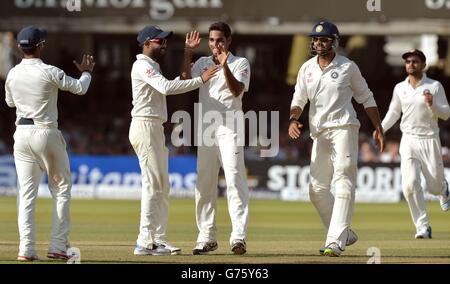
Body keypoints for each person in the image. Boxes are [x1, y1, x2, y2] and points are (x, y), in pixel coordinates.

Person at [288, 21, 385, 257]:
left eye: (324, 39)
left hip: (344, 127)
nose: (318, 43)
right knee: (316, 189)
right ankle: (346, 233)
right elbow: (298, 99)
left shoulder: (347, 67)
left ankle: (335, 241)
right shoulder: (307, 69)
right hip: (319, 132)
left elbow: (366, 98)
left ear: (334, 42)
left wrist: (378, 128)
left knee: (343, 178)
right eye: (316, 39)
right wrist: (292, 119)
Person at [5, 25, 95, 261]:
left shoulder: (13, 73)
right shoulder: (50, 71)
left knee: (26, 194)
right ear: (41, 46)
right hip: (46, 133)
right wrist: (86, 72)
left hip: (21, 135)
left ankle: (26, 250)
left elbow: (10, 103)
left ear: (20, 47)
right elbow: (80, 89)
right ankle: (57, 246)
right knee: (61, 190)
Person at [129, 25, 218, 256]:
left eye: (165, 41)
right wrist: (200, 80)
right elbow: (166, 87)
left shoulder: (152, 66)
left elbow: (177, 82)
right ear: (146, 43)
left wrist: (188, 57)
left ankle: (156, 239)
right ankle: (145, 241)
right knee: (152, 184)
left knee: (161, 185)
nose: (164, 45)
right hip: (144, 125)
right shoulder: (141, 65)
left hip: (153, 127)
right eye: (159, 41)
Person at [181, 22, 251, 255]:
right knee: (204, 183)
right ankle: (206, 237)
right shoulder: (201, 63)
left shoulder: (240, 63)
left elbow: (237, 90)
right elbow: (183, 80)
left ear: (229, 41)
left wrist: (225, 66)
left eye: (220, 40)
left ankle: (238, 236)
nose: (215, 44)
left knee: (234, 178)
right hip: (206, 128)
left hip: (231, 126)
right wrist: (188, 52)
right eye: (211, 40)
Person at [380, 49, 450, 239]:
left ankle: (443, 189)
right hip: (408, 139)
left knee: (433, 187)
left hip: (429, 140)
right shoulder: (399, 88)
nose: (410, 64)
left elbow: (446, 113)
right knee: (409, 184)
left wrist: (432, 104)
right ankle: (422, 226)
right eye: (408, 62)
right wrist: (381, 129)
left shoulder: (434, 86)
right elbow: (394, 112)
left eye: (415, 61)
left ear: (423, 65)